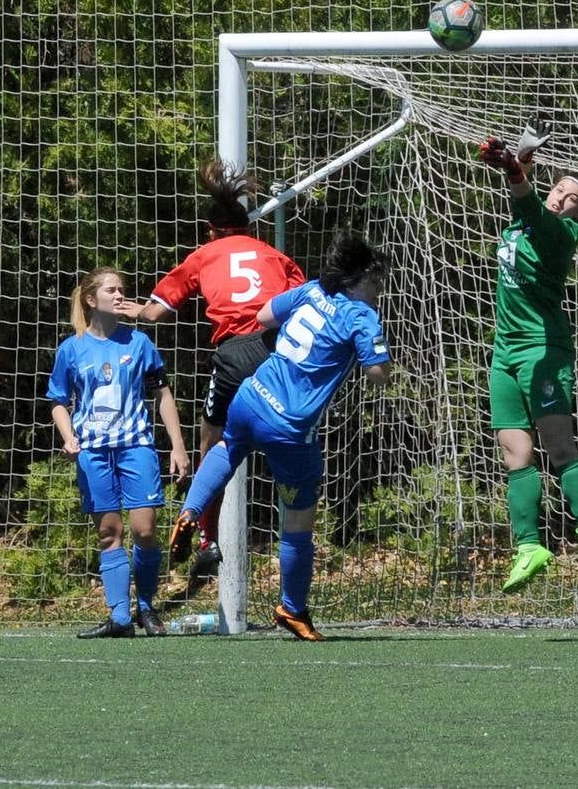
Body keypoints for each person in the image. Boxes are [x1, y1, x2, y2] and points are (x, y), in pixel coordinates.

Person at [167, 233, 391, 640]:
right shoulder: (361, 316)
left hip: (251, 396)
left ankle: (191, 509)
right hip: (290, 425)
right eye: (376, 284)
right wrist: (370, 350)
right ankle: (292, 608)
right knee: (299, 523)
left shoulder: (309, 292)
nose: (378, 292)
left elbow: (266, 315)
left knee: (228, 447)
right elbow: (377, 374)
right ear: (358, 280)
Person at [119, 159, 305, 576]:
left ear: (212, 231)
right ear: (248, 229)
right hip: (277, 355)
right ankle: (294, 538)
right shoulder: (275, 255)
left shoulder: (203, 256)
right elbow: (305, 304)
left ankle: (206, 536)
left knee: (214, 444)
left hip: (233, 355)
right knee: (289, 445)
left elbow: (156, 313)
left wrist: (135, 310)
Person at [477, 119, 578, 592]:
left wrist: (512, 164)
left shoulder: (562, 236)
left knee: (559, 446)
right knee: (514, 453)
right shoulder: (524, 223)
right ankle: (530, 546)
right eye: (560, 190)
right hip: (504, 352)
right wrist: (519, 159)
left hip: (543, 351)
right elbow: (524, 202)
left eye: (573, 199)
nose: (562, 199)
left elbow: (527, 200)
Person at [47, 268, 191, 637]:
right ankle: (121, 617)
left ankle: (147, 607)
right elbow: (59, 402)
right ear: (92, 300)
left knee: (144, 531)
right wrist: (68, 437)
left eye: (122, 289)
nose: (120, 294)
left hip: (135, 447)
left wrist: (177, 445)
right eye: (112, 290)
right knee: (109, 533)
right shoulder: (71, 348)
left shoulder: (139, 343)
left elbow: (162, 395)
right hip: (93, 453)